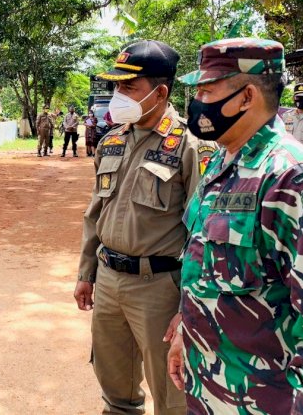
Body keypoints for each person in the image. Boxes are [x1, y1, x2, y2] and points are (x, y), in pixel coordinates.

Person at [166, 38, 303, 414]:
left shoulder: (295, 180)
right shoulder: (223, 163)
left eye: (207, 90)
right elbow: (206, 270)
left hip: (267, 401)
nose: (197, 103)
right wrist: (186, 333)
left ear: (246, 97)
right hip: (209, 389)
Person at [74, 39, 216, 415]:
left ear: (160, 92)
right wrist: (86, 273)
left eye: (128, 87)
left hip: (160, 288)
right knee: (114, 385)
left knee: (172, 395)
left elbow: (202, 232)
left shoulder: (191, 147)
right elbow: (95, 215)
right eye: (116, 86)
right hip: (108, 281)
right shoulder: (113, 141)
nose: (118, 95)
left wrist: (189, 305)